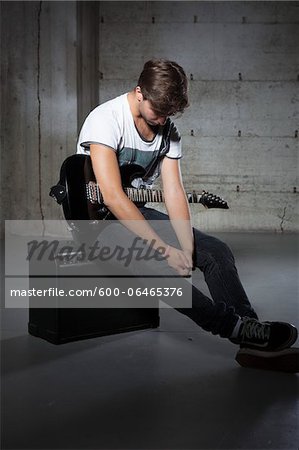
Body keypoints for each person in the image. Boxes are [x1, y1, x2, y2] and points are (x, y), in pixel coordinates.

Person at [76, 59, 297, 370]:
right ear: (140, 93)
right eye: (159, 111)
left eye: (171, 114)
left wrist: (188, 251)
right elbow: (112, 196)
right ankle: (231, 327)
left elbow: (175, 193)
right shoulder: (106, 119)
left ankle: (252, 336)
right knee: (155, 268)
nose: (164, 119)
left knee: (215, 251)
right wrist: (165, 249)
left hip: (135, 210)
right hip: (97, 220)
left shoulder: (167, 129)